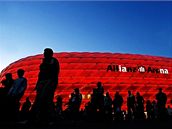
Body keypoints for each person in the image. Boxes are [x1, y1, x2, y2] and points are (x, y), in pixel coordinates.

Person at [31, 48, 60, 123]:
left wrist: (50, 82)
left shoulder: (53, 61)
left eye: (46, 52)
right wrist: (38, 83)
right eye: (44, 52)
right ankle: (36, 118)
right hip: (42, 82)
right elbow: (40, 74)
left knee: (47, 99)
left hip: (49, 82)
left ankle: (49, 118)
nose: (44, 54)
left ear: (51, 53)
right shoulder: (43, 62)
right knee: (38, 99)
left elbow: (55, 72)